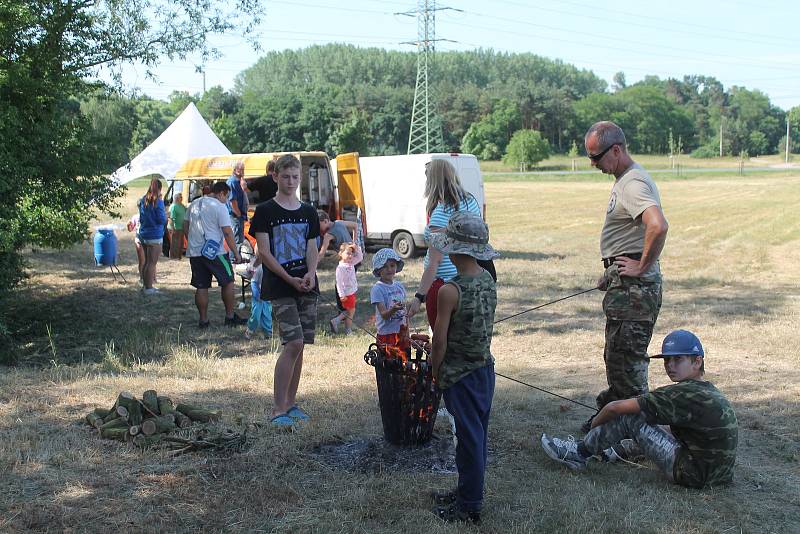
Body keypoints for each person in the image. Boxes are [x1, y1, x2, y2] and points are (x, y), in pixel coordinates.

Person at [541, 330, 738, 489]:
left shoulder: (682, 394)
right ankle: (614, 452)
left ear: (697, 361)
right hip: (718, 476)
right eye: (666, 360)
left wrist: (594, 425)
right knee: (653, 425)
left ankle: (578, 453)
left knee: (630, 417)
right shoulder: (708, 390)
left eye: (678, 359)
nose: (670, 365)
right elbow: (670, 431)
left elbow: (615, 408)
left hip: (694, 475)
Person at [582, 121, 669, 432]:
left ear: (616, 150)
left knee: (627, 366)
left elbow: (658, 225)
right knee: (617, 359)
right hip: (625, 286)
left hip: (635, 291)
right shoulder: (625, 179)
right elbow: (630, 238)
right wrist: (612, 271)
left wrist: (641, 267)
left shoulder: (633, 183)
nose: (593, 164)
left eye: (596, 157)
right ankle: (614, 426)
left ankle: (638, 435)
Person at [429, 211, 499, 525]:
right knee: (475, 437)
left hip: (460, 376)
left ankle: (470, 505)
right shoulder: (487, 280)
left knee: (469, 441)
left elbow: (439, 340)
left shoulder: (449, 291)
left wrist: (435, 370)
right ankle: (465, 491)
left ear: (456, 250)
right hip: (484, 372)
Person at [249, 154, 320, 428]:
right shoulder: (266, 211)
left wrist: (310, 274)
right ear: (275, 177)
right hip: (280, 286)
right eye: (286, 176)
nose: (291, 182)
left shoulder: (308, 212)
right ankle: (278, 408)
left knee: (301, 346)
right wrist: (290, 279)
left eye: (295, 177)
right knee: (293, 342)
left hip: (306, 285)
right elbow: (264, 253)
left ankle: (291, 403)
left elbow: (312, 247)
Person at [407, 159, 485, 328]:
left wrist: (419, 297)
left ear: (433, 182)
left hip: (445, 285)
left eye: (428, 179)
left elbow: (435, 261)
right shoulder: (471, 202)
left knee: (442, 339)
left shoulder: (442, 213)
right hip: (471, 280)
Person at [183, 181, 246, 328]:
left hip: (195, 252)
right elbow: (228, 232)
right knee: (228, 281)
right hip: (216, 252)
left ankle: (203, 320)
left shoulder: (194, 204)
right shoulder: (220, 206)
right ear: (221, 193)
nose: (227, 200)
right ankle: (230, 316)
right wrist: (236, 253)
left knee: (201, 286)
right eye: (227, 196)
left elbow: (185, 225)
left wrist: (192, 240)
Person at [370, 248, 408, 350]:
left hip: (401, 332)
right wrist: (394, 309)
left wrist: (407, 330)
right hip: (387, 334)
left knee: (403, 362)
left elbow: (405, 313)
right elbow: (384, 315)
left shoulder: (399, 286)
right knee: (388, 363)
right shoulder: (377, 289)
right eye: (385, 267)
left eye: (392, 265)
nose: (390, 269)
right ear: (378, 270)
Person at [137, 178, 167, 295]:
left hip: (143, 233)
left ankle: (146, 286)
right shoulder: (158, 202)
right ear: (159, 188)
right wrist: (166, 216)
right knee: (151, 263)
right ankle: (149, 288)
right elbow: (161, 219)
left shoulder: (143, 200)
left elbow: (142, 217)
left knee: (146, 262)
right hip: (155, 235)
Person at [330, 242, 363, 335]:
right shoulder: (340, 268)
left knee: (348, 311)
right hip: (346, 293)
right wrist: (341, 295)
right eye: (347, 253)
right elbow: (339, 283)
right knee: (351, 312)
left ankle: (335, 321)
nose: (350, 255)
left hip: (352, 291)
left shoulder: (351, 263)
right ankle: (348, 330)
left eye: (351, 253)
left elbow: (360, 257)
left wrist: (357, 248)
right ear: (341, 254)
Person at [244, 262, 273, 340]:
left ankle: (268, 333)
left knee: (267, 315)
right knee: (256, 315)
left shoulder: (272, 265)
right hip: (258, 297)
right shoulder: (258, 267)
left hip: (267, 296)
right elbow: (253, 282)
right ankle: (250, 330)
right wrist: (257, 294)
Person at [226, 161, 249, 247]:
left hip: (239, 216)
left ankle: (238, 258)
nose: (243, 171)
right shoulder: (232, 182)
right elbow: (232, 201)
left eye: (243, 169)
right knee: (236, 239)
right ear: (235, 170)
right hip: (235, 216)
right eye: (241, 169)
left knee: (240, 239)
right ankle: (234, 259)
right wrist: (239, 214)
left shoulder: (239, 181)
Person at [126, 213, 145, 285]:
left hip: (149, 239)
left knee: (150, 260)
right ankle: (142, 278)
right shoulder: (135, 217)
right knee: (142, 260)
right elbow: (130, 229)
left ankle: (154, 279)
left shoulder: (150, 214)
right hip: (139, 239)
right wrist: (128, 225)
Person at [167, 192, 186, 260]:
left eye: (181, 197)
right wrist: (173, 228)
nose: (181, 198)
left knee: (180, 243)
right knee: (174, 243)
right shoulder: (174, 206)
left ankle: (179, 256)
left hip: (181, 227)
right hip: (175, 227)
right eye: (180, 197)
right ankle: (173, 257)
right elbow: (171, 218)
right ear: (177, 198)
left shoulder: (182, 206)